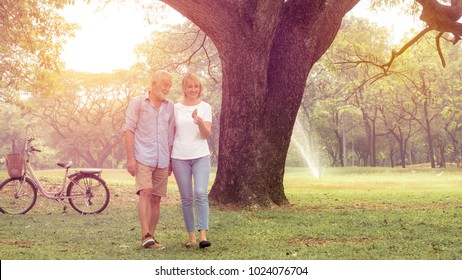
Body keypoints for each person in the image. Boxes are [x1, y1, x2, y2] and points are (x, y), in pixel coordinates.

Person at [123, 70, 174, 249]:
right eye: (164, 84)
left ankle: (151, 236)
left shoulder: (170, 106)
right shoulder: (138, 103)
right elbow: (128, 130)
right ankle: (145, 235)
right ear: (153, 84)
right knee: (145, 191)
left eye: (169, 85)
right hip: (143, 156)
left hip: (162, 159)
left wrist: (170, 161)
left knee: (156, 198)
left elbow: (170, 135)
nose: (167, 89)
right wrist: (131, 159)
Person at [172, 73, 213, 249]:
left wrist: (200, 123)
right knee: (187, 198)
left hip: (200, 156)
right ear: (184, 88)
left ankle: (203, 236)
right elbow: (171, 133)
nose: (193, 90)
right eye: (190, 87)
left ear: (200, 88)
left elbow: (206, 135)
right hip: (179, 157)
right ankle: (191, 238)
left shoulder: (205, 107)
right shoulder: (175, 108)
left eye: (196, 87)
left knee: (201, 193)